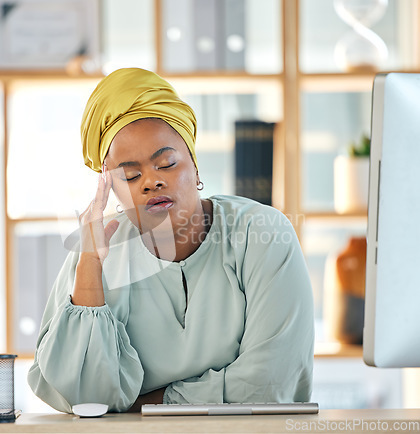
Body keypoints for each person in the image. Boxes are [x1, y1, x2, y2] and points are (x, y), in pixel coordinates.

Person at [27, 68, 314, 413]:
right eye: (131, 175)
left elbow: (270, 383)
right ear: (113, 188)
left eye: (167, 163)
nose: (151, 182)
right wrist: (90, 265)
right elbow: (86, 400)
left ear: (194, 164)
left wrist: (146, 405)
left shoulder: (263, 234)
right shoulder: (98, 246)